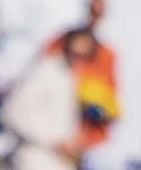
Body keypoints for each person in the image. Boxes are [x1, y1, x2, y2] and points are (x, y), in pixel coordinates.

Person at [0, 33, 86, 170]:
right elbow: (11, 112)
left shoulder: (69, 78)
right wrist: (53, 142)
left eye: (84, 55)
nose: (78, 58)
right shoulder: (45, 71)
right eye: (75, 51)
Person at [43, 10, 120, 152]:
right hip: (52, 141)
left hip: (86, 142)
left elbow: (113, 110)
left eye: (84, 54)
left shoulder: (103, 64)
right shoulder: (51, 70)